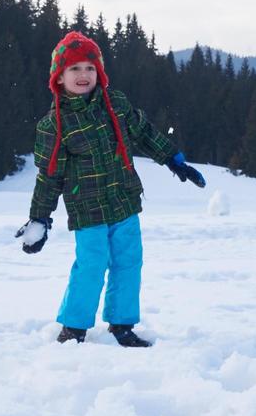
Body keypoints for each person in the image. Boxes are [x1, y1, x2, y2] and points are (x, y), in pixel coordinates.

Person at [15, 31, 204, 345]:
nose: (83, 75)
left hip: (124, 199)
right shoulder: (54, 124)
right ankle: (73, 327)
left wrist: (173, 159)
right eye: (74, 68)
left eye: (90, 68)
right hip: (87, 208)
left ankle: (122, 324)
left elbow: (143, 132)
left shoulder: (114, 103)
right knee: (92, 264)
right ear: (59, 77)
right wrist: (39, 219)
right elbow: (49, 176)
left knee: (129, 261)